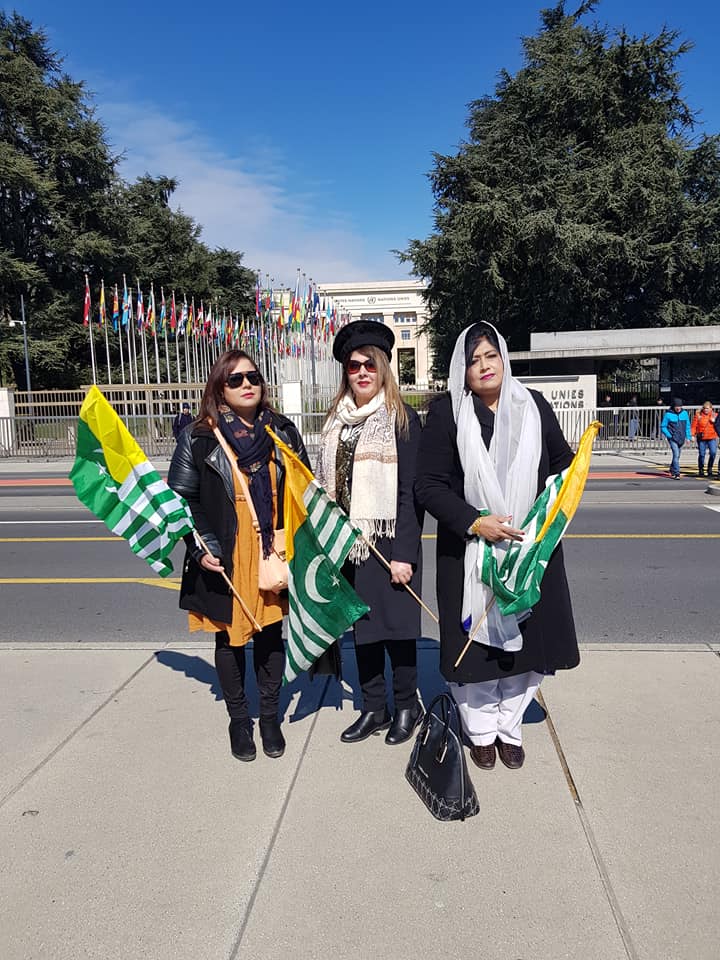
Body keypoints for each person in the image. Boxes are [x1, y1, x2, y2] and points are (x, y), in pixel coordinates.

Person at [415, 322, 579, 771]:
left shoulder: (533, 406)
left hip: (529, 549)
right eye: (474, 360)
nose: (484, 366)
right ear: (462, 369)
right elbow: (428, 485)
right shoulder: (448, 413)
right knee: (476, 648)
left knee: (528, 649)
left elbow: (563, 467)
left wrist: (543, 512)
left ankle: (509, 727)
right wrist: (475, 521)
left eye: (491, 355)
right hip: (470, 550)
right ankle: (481, 731)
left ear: (503, 358)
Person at [167, 350, 309, 762]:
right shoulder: (199, 437)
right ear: (220, 389)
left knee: (270, 634)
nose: (247, 384)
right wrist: (201, 546)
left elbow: (304, 486)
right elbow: (182, 499)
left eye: (253, 377)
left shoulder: (281, 430)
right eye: (235, 379)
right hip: (225, 550)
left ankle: (269, 718)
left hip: (272, 547)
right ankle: (239, 720)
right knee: (229, 638)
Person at [315, 320, 424, 746]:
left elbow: (410, 494)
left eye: (369, 365)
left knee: (397, 631)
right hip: (347, 542)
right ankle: (374, 708)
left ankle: (407, 706)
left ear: (383, 369)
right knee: (362, 631)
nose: (361, 372)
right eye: (353, 366)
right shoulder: (336, 421)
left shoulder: (401, 419)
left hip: (387, 540)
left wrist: (404, 554)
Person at [660, 398, 691, 479]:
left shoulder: (685, 413)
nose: (678, 408)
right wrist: (669, 435)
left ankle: (672, 469)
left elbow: (687, 426)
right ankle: (677, 473)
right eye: (677, 406)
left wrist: (688, 437)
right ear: (673, 406)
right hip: (673, 438)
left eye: (680, 406)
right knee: (676, 455)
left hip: (681, 438)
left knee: (677, 456)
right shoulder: (668, 414)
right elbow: (663, 426)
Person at [690, 400, 717, 478]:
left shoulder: (715, 415)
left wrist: (714, 422)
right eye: (704, 408)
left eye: (707, 408)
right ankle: (701, 469)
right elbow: (693, 426)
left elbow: (718, 425)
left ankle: (710, 468)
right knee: (702, 454)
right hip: (701, 437)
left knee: (713, 453)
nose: (706, 410)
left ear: (711, 408)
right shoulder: (698, 415)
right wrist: (692, 435)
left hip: (712, 437)